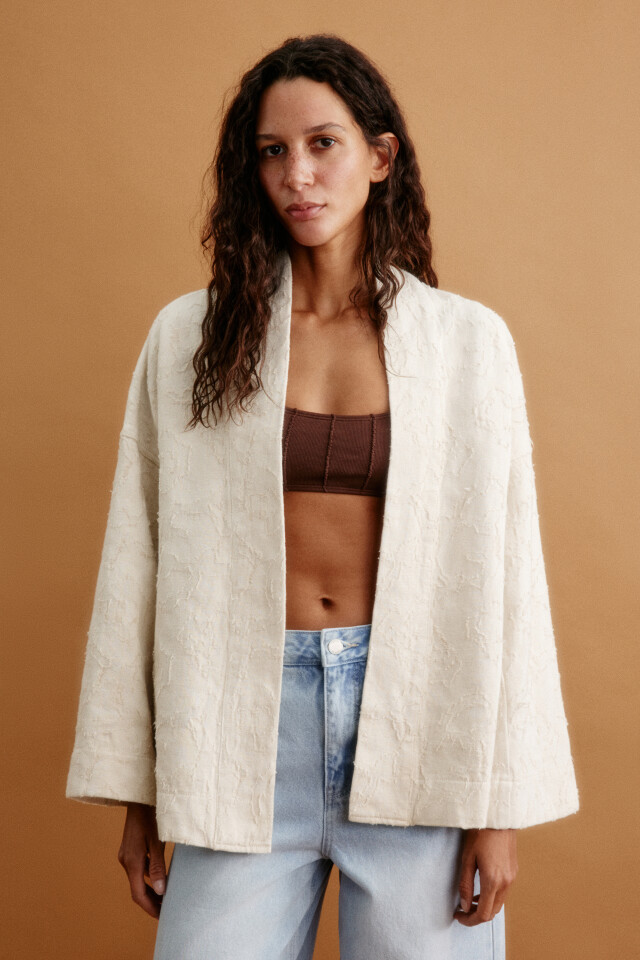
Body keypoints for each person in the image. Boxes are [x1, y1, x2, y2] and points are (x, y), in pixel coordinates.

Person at [65, 33, 579, 960]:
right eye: (273, 151)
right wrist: (141, 795)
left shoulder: (467, 345)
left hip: (417, 725)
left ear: (380, 157)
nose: (297, 174)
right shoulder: (191, 338)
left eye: (323, 144)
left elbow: (507, 583)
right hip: (238, 728)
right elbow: (136, 564)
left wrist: (497, 807)